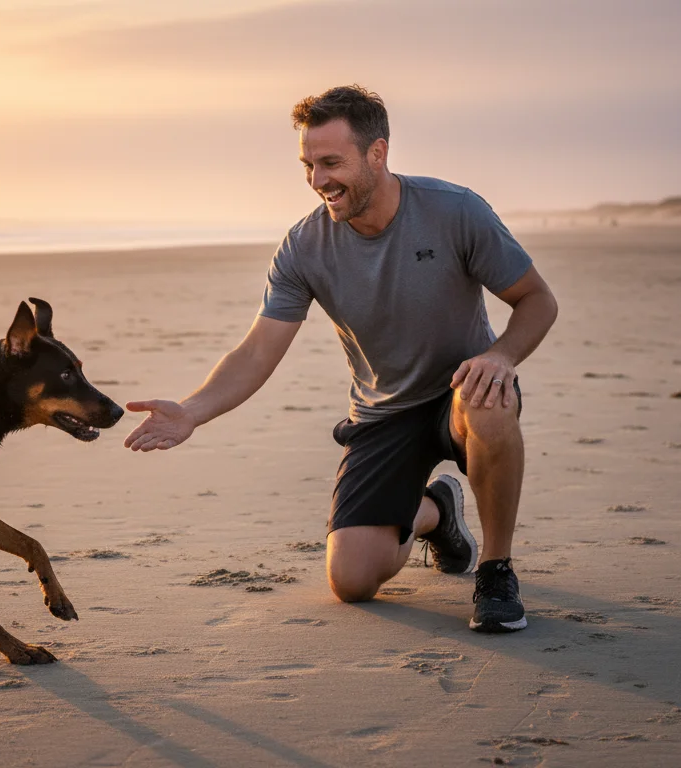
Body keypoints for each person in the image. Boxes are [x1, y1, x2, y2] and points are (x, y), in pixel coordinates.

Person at [123, 85, 559, 633]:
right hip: (382, 414)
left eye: (331, 162)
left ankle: (495, 571)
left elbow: (537, 300)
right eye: (308, 165)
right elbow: (259, 348)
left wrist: (501, 356)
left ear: (377, 153)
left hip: (460, 394)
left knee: (490, 399)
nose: (317, 180)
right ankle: (436, 512)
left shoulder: (455, 212)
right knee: (351, 582)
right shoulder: (304, 247)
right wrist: (191, 411)